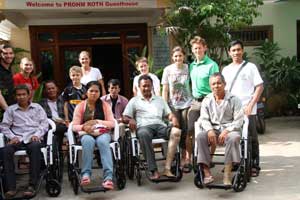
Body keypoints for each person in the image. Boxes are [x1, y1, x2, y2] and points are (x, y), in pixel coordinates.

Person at [123, 75, 181, 179]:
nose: (146, 88)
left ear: (152, 86)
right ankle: (153, 170)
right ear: (139, 87)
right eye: (144, 86)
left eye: (148, 86)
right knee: (143, 134)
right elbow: (124, 117)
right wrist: (130, 119)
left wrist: (174, 118)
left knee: (176, 132)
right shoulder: (134, 100)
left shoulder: (159, 100)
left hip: (160, 125)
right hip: (144, 127)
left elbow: (168, 114)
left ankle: (167, 168)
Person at [222, 40, 264, 177]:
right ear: (229, 53)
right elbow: (224, 91)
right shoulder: (226, 70)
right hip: (232, 109)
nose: (236, 52)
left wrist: (251, 105)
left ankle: (253, 165)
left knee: (251, 137)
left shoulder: (250, 67)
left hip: (248, 108)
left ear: (243, 50)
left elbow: (259, 86)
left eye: (238, 49)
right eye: (233, 50)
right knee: (233, 136)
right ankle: (235, 162)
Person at [0, 84, 49, 198]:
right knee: (6, 150)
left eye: (23, 94)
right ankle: (11, 187)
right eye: (18, 95)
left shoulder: (37, 108)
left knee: (35, 147)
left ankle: (32, 185)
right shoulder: (11, 110)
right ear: (15, 97)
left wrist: (37, 134)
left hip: (33, 138)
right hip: (18, 138)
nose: (21, 97)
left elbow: (44, 124)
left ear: (29, 95)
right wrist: (12, 136)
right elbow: (4, 126)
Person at [196, 73, 243, 186]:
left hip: (230, 130)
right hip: (214, 129)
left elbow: (239, 120)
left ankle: (227, 174)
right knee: (201, 136)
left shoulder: (234, 99)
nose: (216, 86)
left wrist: (227, 130)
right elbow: (203, 118)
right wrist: (209, 130)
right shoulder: (207, 100)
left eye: (219, 83)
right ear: (210, 86)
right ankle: (207, 173)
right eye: (213, 84)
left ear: (224, 84)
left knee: (233, 138)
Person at [72, 81, 115, 190]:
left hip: (102, 133)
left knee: (102, 142)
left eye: (96, 91)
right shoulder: (80, 106)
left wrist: (97, 121)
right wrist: (83, 127)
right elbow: (74, 126)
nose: (94, 93)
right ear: (86, 92)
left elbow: (112, 123)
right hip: (86, 133)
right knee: (88, 141)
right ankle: (86, 174)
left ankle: (108, 177)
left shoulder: (105, 105)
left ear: (100, 93)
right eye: (91, 91)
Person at [187, 36, 219, 171]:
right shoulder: (191, 65)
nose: (197, 50)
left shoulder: (212, 65)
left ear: (205, 48)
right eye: (195, 48)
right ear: (192, 50)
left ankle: (209, 158)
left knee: (210, 131)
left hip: (209, 101)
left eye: (200, 47)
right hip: (195, 102)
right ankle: (190, 158)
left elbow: (216, 85)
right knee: (190, 130)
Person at [161, 46, 193, 172]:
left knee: (186, 131)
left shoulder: (188, 68)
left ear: (183, 56)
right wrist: (164, 106)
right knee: (175, 130)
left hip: (187, 103)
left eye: (180, 56)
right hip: (173, 105)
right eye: (175, 56)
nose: (178, 58)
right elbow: (165, 89)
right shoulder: (168, 70)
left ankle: (187, 158)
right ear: (172, 57)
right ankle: (175, 157)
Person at [39, 80, 67, 154]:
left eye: (53, 88)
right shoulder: (42, 103)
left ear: (56, 89)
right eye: (49, 89)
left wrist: (64, 121)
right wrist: (54, 121)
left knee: (59, 132)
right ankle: (56, 154)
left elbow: (68, 115)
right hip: (50, 125)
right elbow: (42, 118)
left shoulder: (63, 100)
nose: (51, 90)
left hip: (64, 124)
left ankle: (56, 155)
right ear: (45, 91)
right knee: (53, 132)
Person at [0, 45, 15, 116]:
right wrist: (7, 110)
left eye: (11, 53)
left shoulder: (9, 69)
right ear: (1, 55)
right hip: (3, 111)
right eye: (5, 53)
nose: (9, 56)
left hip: (11, 107)